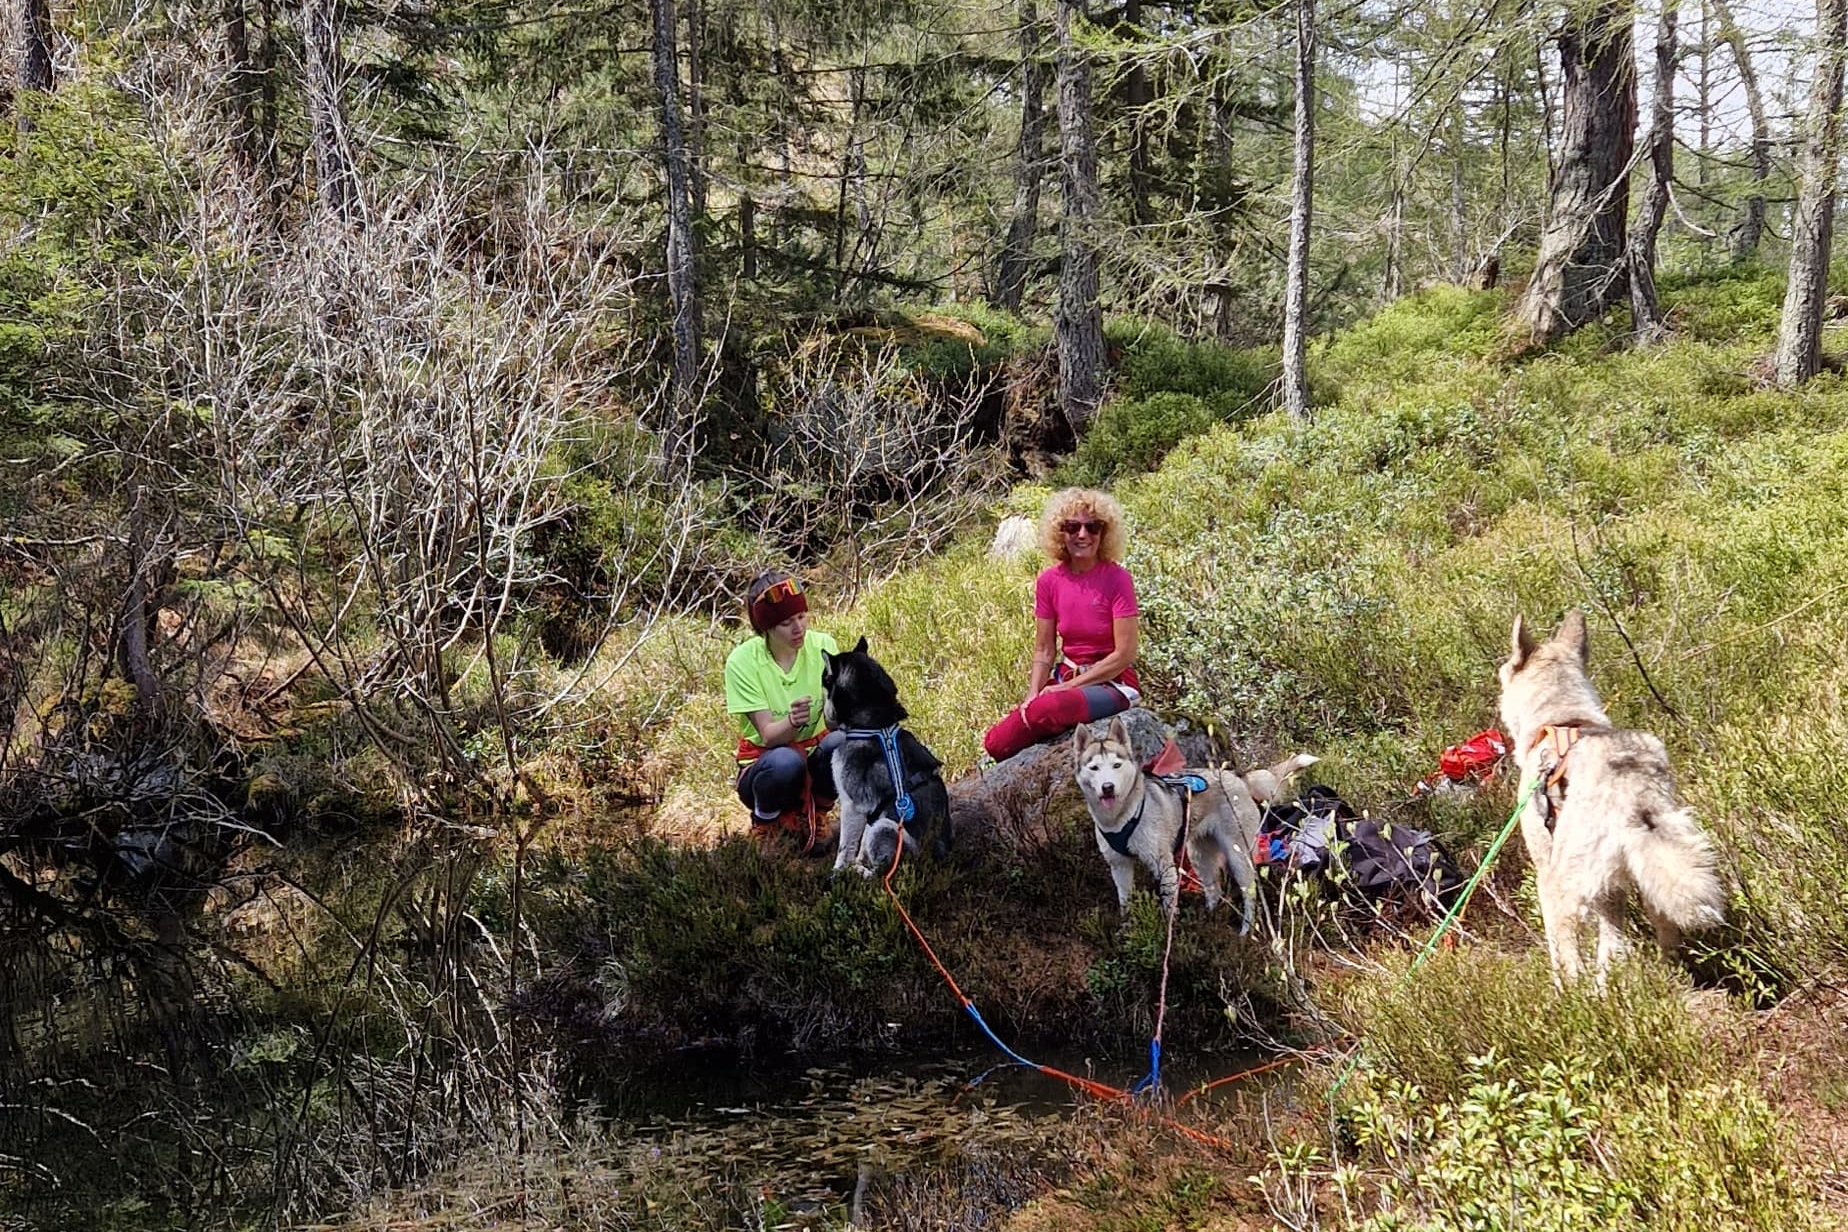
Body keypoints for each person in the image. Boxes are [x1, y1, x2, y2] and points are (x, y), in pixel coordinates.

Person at [981, 488, 1140, 763]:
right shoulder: (1049, 581)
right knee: (996, 743)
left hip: (1112, 684)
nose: (1082, 535)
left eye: (1093, 527)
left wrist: (1067, 688)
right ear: (1060, 532)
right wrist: (1031, 697)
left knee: (1050, 708)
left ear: (1104, 532)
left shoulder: (1118, 579)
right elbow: (1044, 650)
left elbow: (1124, 655)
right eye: (1072, 527)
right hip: (1065, 679)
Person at [724, 571, 844, 849]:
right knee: (785, 761)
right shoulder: (742, 662)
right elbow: (768, 735)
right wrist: (792, 720)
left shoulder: (823, 645)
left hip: (815, 752)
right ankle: (766, 823)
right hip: (767, 764)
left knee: (843, 742)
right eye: (786, 623)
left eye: (802, 617)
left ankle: (819, 811)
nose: (798, 629)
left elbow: (838, 717)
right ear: (765, 627)